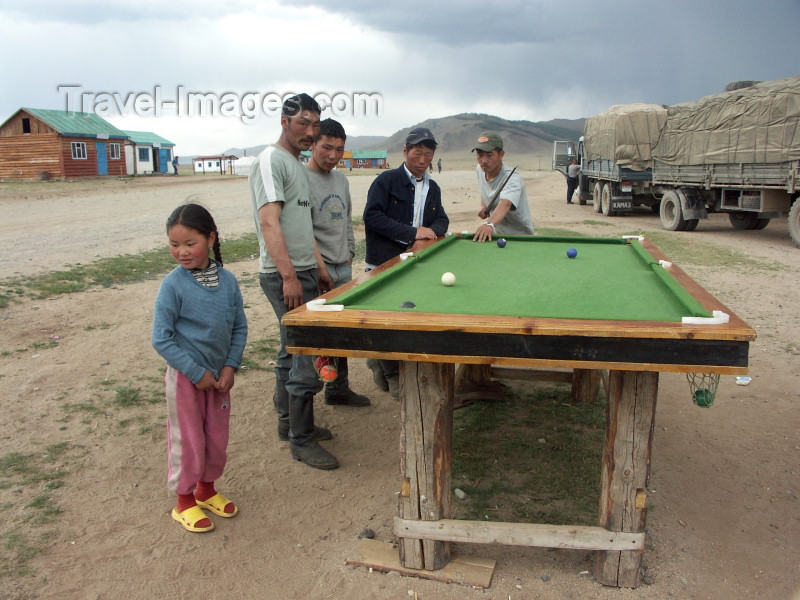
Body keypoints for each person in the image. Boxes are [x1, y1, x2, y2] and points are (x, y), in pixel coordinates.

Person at [249, 93, 340, 470]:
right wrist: (289, 276)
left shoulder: (296, 165)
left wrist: (318, 267)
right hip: (284, 274)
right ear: (284, 121)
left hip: (303, 270)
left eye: (315, 124)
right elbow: (269, 222)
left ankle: (289, 424)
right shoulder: (272, 160)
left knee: (291, 347)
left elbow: (301, 224)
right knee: (305, 351)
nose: (310, 131)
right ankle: (301, 440)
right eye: (303, 123)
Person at [152, 203, 248, 533]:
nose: (181, 251)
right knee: (188, 440)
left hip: (219, 379)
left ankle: (206, 491)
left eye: (189, 243)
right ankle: (183, 501)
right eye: (174, 244)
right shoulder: (172, 286)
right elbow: (161, 339)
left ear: (210, 239)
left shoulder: (228, 281)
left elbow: (239, 327)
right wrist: (196, 373)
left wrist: (230, 366)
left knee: (216, 438)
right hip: (186, 381)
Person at [362, 127, 449, 398]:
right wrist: (412, 233)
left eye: (428, 154)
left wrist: (428, 233)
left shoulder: (433, 187)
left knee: (407, 315)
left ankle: (380, 362)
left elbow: (442, 220)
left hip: (415, 264)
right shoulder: (386, 181)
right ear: (405, 152)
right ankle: (391, 373)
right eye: (417, 153)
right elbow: (372, 217)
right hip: (383, 263)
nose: (422, 159)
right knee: (386, 321)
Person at [307, 118, 370, 407]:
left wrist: (349, 253)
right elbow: (303, 230)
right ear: (312, 145)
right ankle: (305, 399)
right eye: (326, 148)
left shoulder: (341, 180)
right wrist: (321, 268)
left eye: (339, 149)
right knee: (317, 335)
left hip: (342, 265)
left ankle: (338, 390)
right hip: (317, 267)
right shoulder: (301, 179)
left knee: (340, 332)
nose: (333, 156)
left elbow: (345, 220)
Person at [471, 131, 534, 242]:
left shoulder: (513, 178)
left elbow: (506, 204)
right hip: (495, 235)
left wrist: (488, 224)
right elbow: (484, 188)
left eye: (489, 155)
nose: (484, 161)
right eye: (480, 155)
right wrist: (484, 206)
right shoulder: (480, 170)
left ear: (501, 155)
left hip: (520, 237)